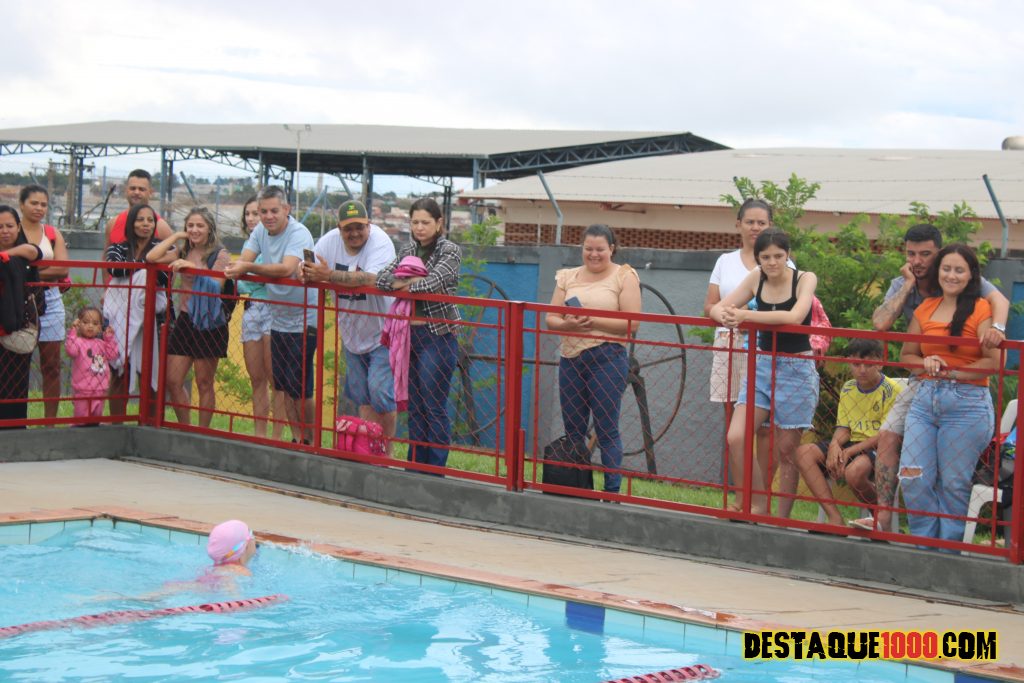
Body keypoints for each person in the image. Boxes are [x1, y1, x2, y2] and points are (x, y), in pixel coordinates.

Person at [851, 224, 1009, 531]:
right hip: (922, 385)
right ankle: (885, 517)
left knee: (951, 481)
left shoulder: (969, 290)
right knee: (895, 446)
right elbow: (881, 324)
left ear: (939, 253)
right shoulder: (911, 289)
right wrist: (909, 283)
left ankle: (944, 547)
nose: (917, 260)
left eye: (925, 254)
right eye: (911, 254)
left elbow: (1000, 304)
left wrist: (997, 330)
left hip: (964, 394)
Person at [710, 229, 819, 516]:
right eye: (766, 257)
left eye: (778, 256)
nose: (772, 262)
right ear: (757, 258)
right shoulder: (755, 277)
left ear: (788, 255)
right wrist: (726, 317)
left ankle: (781, 518)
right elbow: (718, 308)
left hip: (796, 368)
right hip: (761, 366)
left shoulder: (805, 278)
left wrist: (745, 315)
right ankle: (752, 503)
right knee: (736, 436)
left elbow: (795, 317)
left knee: (787, 450)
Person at [898, 244, 999, 545]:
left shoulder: (982, 308)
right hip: (924, 402)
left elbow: (993, 362)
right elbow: (907, 355)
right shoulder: (925, 308)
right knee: (912, 477)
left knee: (954, 484)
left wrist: (951, 372)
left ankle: (948, 553)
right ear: (938, 271)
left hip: (967, 405)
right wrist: (925, 363)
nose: (951, 276)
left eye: (959, 270)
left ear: (971, 275)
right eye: (946, 269)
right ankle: (925, 546)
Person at [545, 224, 642, 494]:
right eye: (588, 249)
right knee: (573, 429)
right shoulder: (567, 276)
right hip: (571, 358)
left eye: (600, 249)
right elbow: (551, 317)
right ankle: (577, 488)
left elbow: (632, 323)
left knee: (606, 428)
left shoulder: (624, 276)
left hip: (607, 357)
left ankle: (611, 493)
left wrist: (591, 320)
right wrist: (567, 325)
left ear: (612, 249)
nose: (594, 254)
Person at [301, 199, 397, 451]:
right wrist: (307, 272)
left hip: (384, 332)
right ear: (339, 228)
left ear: (369, 225)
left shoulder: (381, 242)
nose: (354, 233)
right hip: (352, 333)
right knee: (363, 396)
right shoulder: (329, 241)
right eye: (348, 228)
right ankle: (369, 451)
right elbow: (309, 265)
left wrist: (328, 275)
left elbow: (372, 278)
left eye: (359, 227)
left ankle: (386, 454)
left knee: (381, 394)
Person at [226, 186, 318, 445]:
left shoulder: (299, 233)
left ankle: (310, 440)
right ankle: (297, 439)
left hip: (304, 318)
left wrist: (248, 267)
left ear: (287, 209)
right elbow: (243, 261)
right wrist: (243, 266)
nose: (268, 216)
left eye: (274, 211)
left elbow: (286, 268)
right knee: (283, 383)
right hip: (278, 316)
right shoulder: (259, 231)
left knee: (301, 387)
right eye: (263, 211)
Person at [376, 198, 462, 469]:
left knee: (433, 406)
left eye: (426, 222)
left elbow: (433, 283)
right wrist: (411, 281)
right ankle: (415, 465)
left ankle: (434, 470)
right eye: (415, 222)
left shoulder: (450, 250)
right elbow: (381, 279)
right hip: (407, 336)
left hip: (437, 335)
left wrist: (403, 283)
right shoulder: (408, 249)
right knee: (414, 405)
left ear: (439, 223)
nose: (420, 228)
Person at [794, 338, 902, 526]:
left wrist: (850, 451)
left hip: (879, 447)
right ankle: (835, 518)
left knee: (854, 473)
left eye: (868, 364)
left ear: (879, 363)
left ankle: (880, 518)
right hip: (851, 443)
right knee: (803, 453)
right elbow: (844, 428)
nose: (862, 370)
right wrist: (835, 445)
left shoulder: (892, 390)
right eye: (856, 364)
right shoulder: (849, 388)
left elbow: (885, 436)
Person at [147, 207, 231, 428]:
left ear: (210, 228)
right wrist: (175, 236)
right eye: (190, 225)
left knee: (204, 382)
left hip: (209, 322)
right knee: (173, 380)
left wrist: (192, 267)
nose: (194, 230)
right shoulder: (183, 251)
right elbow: (151, 257)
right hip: (185, 320)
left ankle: (202, 432)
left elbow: (217, 284)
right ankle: (185, 427)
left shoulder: (220, 254)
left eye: (200, 226)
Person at [104, 203, 171, 417]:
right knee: (119, 370)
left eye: (150, 220)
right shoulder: (118, 247)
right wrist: (146, 264)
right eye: (140, 219)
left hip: (153, 318)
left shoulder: (163, 247)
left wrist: (136, 266)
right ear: (131, 223)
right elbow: (114, 268)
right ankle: (116, 424)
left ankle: (149, 423)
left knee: (150, 371)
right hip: (120, 318)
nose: (145, 224)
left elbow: (162, 276)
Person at [235, 196, 286, 440]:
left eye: (257, 213)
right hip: (252, 308)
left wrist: (250, 271)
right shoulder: (249, 245)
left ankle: (276, 436)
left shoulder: (276, 242)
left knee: (276, 379)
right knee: (256, 377)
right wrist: (253, 273)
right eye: (249, 214)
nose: (253, 218)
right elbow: (241, 281)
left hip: (273, 308)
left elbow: (272, 274)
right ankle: (259, 434)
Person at [19, 185, 69, 420]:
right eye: (34, 203)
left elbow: (62, 269)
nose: (39, 208)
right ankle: (15, 420)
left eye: (43, 204)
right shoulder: (11, 230)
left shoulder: (52, 232)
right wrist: (43, 271)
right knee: (17, 366)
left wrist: (26, 271)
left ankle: (49, 423)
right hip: (18, 299)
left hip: (51, 300)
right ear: (22, 205)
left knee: (51, 366)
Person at [0, 205, 43, 427]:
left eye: (9, 226)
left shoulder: (25, 251)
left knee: (16, 381)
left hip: (18, 328)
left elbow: (34, 252)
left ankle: (15, 428)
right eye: (0, 227)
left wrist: (5, 256)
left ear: (18, 227)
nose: (4, 231)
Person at [65, 306, 119, 424]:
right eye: (85, 322)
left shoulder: (101, 343)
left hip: (100, 389)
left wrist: (109, 338)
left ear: (100, 327)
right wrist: (72, 333)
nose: (90, 326)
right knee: (81, 420)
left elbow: (112, 354)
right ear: (79, 324)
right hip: (83, 390)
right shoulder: (78, 342)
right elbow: (71, 351)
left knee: (96, 419)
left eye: (95, 323)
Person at [103, 169, 172, 251]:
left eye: (141, 189)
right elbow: (106, 256)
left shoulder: (161, 227)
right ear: (126, 190)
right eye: (133, 188)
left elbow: (173, 256)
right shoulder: (113, 224)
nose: (136, 192)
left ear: (150, 192)